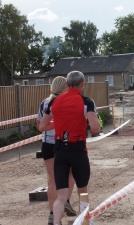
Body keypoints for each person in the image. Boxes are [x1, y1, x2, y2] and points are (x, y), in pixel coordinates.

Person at [39, 71, 101, 225]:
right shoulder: (87, 102)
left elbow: (42, 126)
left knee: (61, 196)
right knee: (83, 191)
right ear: (83, 84)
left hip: (59, 151)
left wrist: (60, 124)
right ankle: (86, 221)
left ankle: (56, 221)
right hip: (78, 151)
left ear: (66, 85)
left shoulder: (54, 102)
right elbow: (95, 128)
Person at [36, 76, 77, 225]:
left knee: (53, 181)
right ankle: (65, 200)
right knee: (71, 175)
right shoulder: (69, 101)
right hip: (65, 143)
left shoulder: (44, 103)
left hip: (48, 143)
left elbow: (39, 126)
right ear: (66, 86)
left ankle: (53, 214)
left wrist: (51, 124)